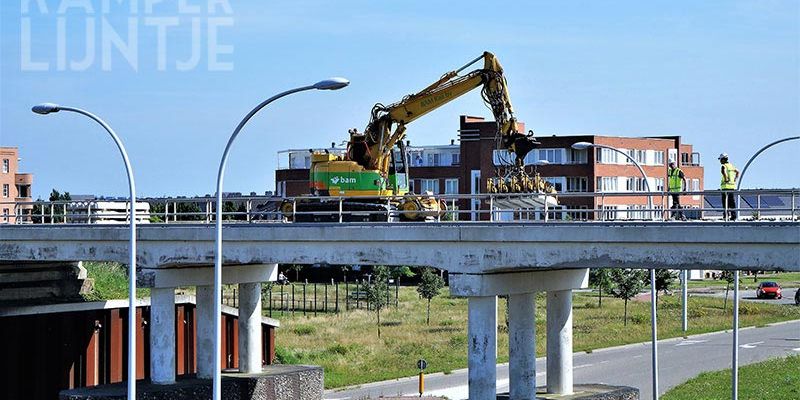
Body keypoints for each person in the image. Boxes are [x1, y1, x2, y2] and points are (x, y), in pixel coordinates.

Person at [718, 153, 740, 221]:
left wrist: (726, 178)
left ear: (723, 159)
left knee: (725, 203)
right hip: (732, 187)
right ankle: (734, 216)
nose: (720, 161)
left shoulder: (724, 166)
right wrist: (735, 179)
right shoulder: (731, 166)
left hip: (725, 187)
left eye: (721, 159)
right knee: (732, 203)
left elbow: (723, 171)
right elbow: (738, 171)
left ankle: (726, 216)